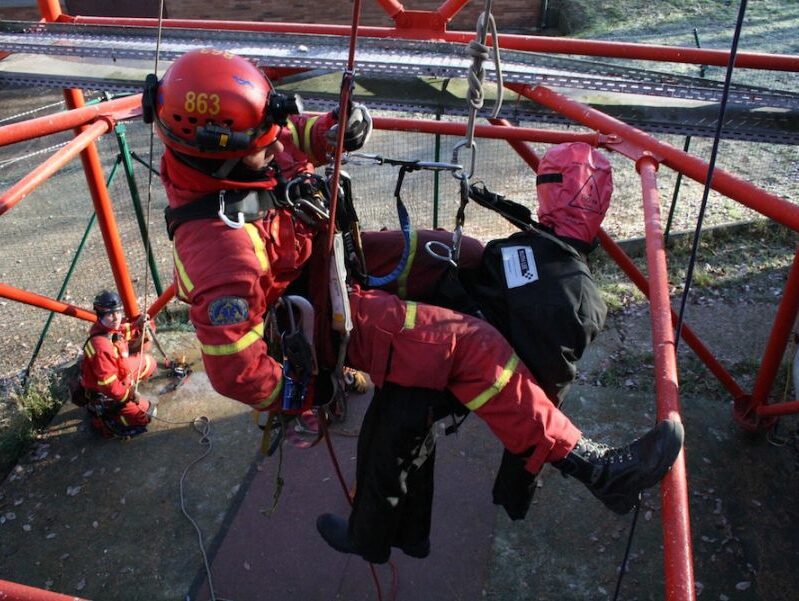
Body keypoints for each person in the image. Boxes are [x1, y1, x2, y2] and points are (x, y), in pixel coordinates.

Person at [149, 49, 684, 564]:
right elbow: (237, 371)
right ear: (220, 151)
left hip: (320, 258)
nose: (275, 147)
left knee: (455, 252)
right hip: (312, 320)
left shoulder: (234, 153)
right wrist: (310, 391)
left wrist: (334, 130)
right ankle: (593, 466)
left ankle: (474, 362)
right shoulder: (223, 253)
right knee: (471, 345)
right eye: (263, 145)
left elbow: (290, 137)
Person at [78, 290, 157, 438]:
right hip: (106, 392)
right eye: (110, 314)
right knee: (144, 417)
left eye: (118, 312)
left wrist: (139, 324)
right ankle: (104, 420)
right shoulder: (101, 346)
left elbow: (124, 330)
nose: (116, 317)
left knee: (150, 363)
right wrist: (130, 394)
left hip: (120, 372)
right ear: (100, 315)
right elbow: (108, 386)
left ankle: (126, 399)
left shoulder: (109, 329)